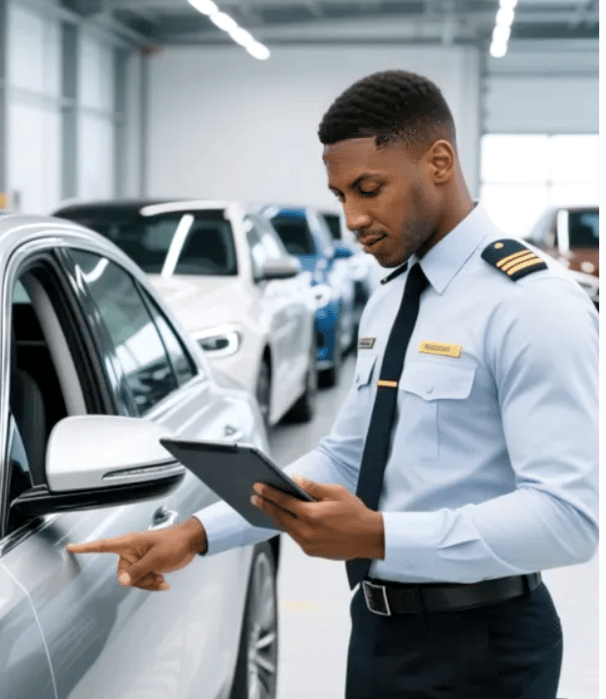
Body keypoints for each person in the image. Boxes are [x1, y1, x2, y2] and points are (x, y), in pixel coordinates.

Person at [68, 70, 600, 698]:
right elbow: (346, 456)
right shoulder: (392, 297)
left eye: (368, 189)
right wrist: (198, 532)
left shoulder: (533, 304)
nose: (352, 217)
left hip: (484, 648)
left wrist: (378, 536)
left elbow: (568, 517)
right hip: (378, 633)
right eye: (341, 194)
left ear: (438, 161)